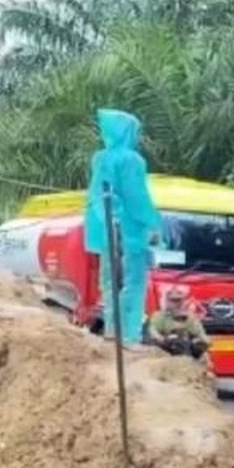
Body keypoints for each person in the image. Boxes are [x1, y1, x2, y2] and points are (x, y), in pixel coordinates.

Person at [83, 108, 162, 346]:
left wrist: (110, 216)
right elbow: (137, 196)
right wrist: (153, 223)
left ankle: (110, 330)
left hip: (107, 228)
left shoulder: (100, 158)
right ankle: (128, 335)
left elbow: (99, 195)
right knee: (133, 283)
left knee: (109, 282)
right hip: (130, 231)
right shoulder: (132, 160)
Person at [146, 289, 209, 358]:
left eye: (178, 300)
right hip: (166, 348)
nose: (176, 304)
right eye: (173, 301)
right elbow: (153, 331)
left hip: (187, 347)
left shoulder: (190, 317)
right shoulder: (160, 316)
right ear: (167, 301)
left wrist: (197, 342)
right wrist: (164, 340)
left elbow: (202, 336)